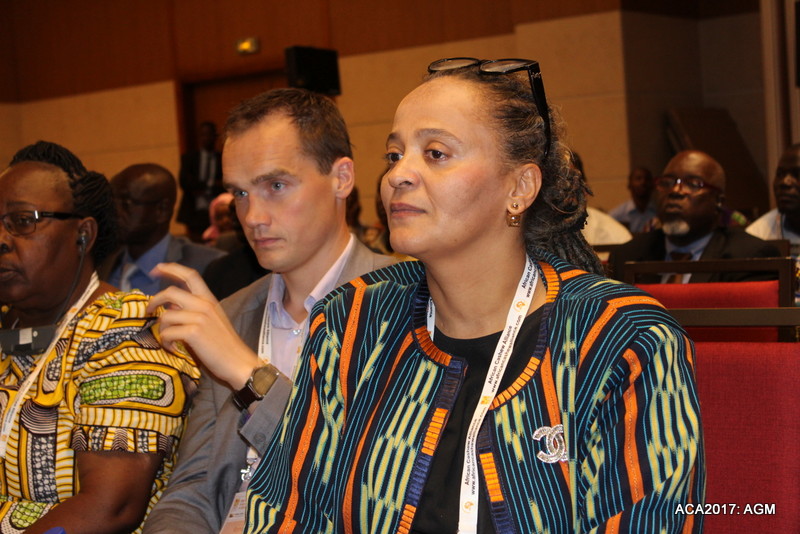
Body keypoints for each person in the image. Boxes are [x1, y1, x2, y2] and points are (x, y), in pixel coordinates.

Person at [243, 58, 704, 533]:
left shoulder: (622, 339)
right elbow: (286, 514)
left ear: (519, 187)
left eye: (436, 153)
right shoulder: (352, 323)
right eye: (394, 155)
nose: (398, 174)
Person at [142, 88, 395, 534]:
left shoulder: (407, 299)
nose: (253, 216)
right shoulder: (232, 313)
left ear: (341, 178)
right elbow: (194, 490)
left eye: (275, 186)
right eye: (239, 193)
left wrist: (248, 373)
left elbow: (371, 483)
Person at [0, 141, 199, 533]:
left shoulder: (129, 330)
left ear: (83, 234)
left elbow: (110, 508)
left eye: (22, 221)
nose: (2, 239)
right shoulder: (8, 326)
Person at [609, 150, 780, 283]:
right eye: (667, 183)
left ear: (719, 201)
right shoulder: (626, 256)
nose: (675, 191)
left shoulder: (749, 258)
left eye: (693, 184)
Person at [101, 163, 225, 295]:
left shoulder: (211, 265)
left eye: (126, 203)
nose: (115, 211)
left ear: (162, 210)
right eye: (112, 202)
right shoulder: (101, 263)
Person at [177, 121, 224, 241]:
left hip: (216, 208)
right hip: (194, 209)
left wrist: (210, 187)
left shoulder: (221, 158)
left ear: (215, 137)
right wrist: (207, 185)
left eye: (209, 135)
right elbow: (184, 182)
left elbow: (224, 183)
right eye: (203, 135)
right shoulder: (190, 158)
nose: (206, 138)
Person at [609, 166, 656, 233]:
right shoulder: (616, 216)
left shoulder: (658, 213)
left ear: (653, 185)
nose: (643, 182)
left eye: (647, 179)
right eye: (638, 178)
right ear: (629, 185)